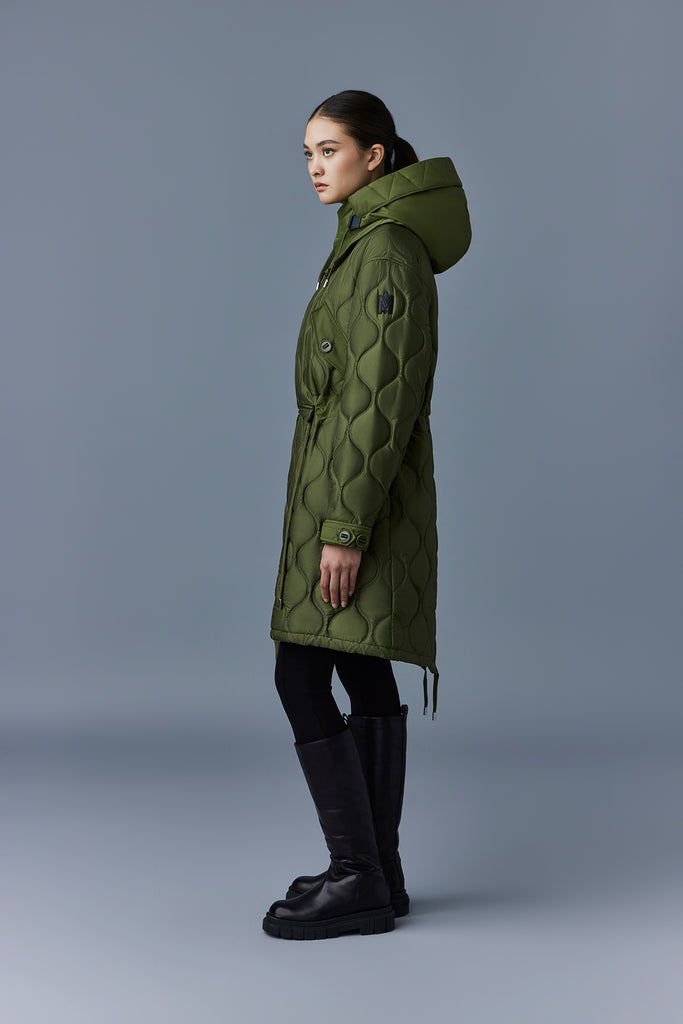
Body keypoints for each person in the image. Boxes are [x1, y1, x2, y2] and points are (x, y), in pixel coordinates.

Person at [262, 90, 471, 940]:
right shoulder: (364, 243)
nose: (316, 167)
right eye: (308, 154)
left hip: (355, 503)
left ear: (374, 155)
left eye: (330, 150)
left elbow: (379, 404)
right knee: (358, 667)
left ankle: (358, 876)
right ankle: (376, 874)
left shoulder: (383, 251)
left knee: (301, 674)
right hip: (342, 492)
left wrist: (343, 529)